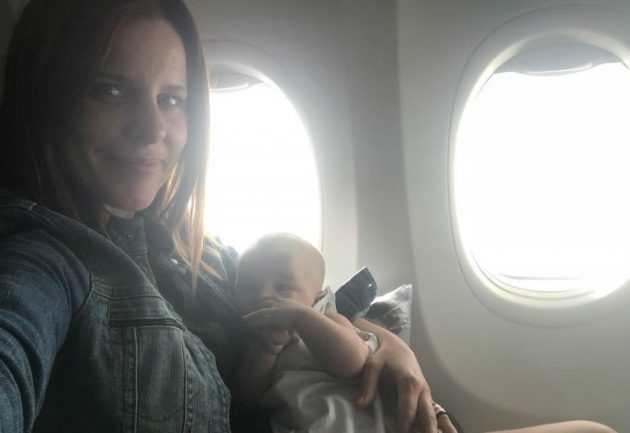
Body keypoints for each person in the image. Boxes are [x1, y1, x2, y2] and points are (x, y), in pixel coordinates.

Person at [0, 0, 617, 432]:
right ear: (46, 94)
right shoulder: (43, 262)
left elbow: (308, 296)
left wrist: (390, 347)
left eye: (172, 99)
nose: (152, 128)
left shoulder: (194, 245)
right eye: (109, 89)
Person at [232, 232, 465, 433]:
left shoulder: (329, 321)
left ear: (318, 298)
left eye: (283, 287)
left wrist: (302, 318)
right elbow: (247, 400)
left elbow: (353, 362)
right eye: (248, 286)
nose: (262, 295)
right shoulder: (255, 345)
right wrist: (266, 353)